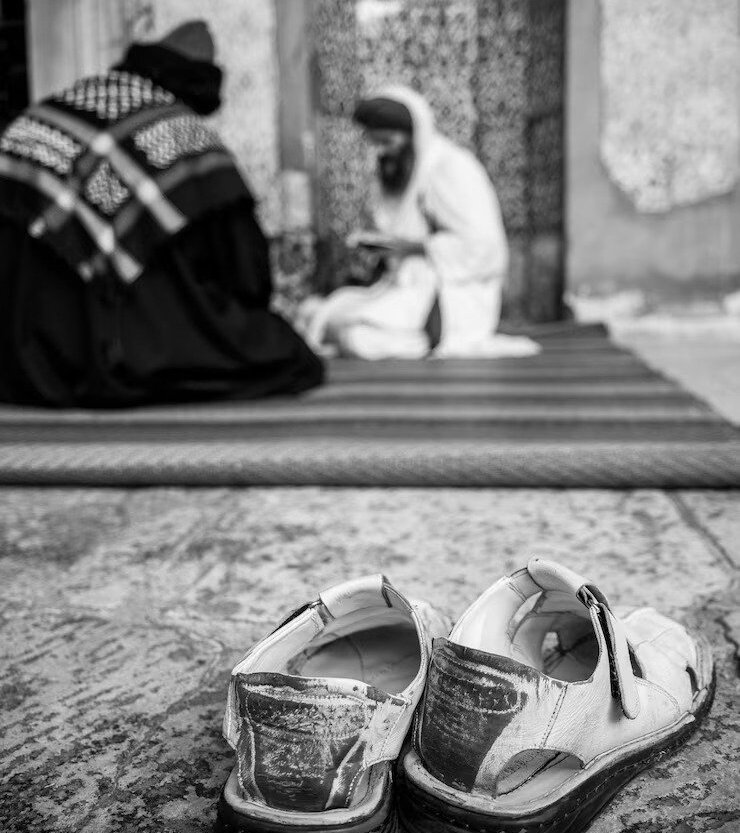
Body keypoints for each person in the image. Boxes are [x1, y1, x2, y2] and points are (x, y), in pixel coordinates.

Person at [0, 21, 323, 407]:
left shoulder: (55, 108)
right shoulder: (182, 134)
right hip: (122, 341)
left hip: (15, 353)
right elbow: (245, 269)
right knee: (290, 357)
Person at [299, 85, 539, 360]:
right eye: (375, 143)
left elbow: (485, 250)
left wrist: (415, 248)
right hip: (405, 286)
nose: (381, 152)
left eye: (387, 142)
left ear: (412, 136)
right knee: (312, 314)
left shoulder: (452, 168)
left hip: (452, 297)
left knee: (357, 338)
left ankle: (422, 337)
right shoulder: (405, 173)